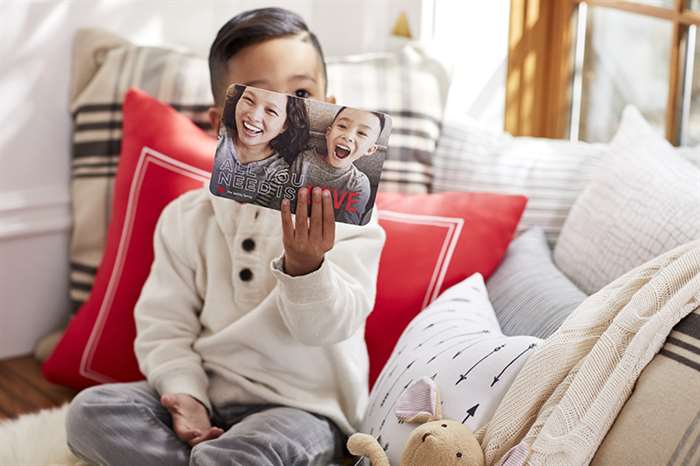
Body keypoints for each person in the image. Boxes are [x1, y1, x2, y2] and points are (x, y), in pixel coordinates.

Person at [65, 7, 386, 466]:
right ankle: (210, 458)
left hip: (303, 412)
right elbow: (165, 323)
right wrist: (184, 392)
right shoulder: (188, 216)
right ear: (224, 120)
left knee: (251, 452)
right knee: (90, 413)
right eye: (256, 98)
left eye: (301, 93)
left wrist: (307, 267)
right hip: (210, 397)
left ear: (330, 110)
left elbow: (331, 328)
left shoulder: (352, 220)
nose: (282, 114)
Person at [212, 84, 309, 209]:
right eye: (248, 100)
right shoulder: (220, 137)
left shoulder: (278, 174)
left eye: (271, 111)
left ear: (285, 125)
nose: (254, 116)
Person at [292, 106, 385, 224]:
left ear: (370, 149)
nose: (348, 136)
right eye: (342, 126)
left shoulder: (359, 184)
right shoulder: (304, 160)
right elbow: (281, 202)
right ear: (328, 133)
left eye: (362, 133)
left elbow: (347, 226)